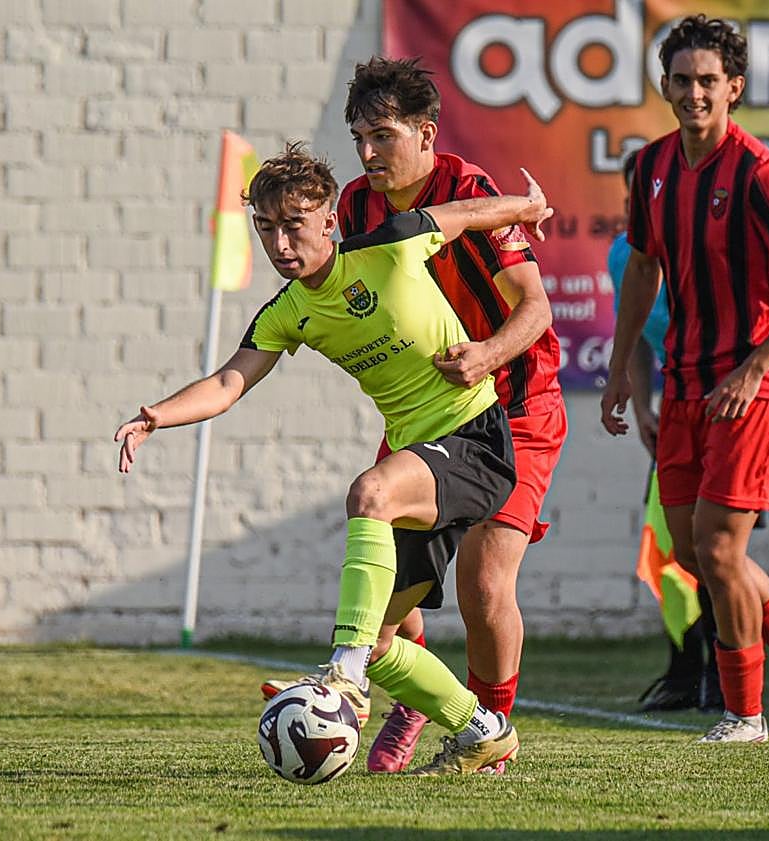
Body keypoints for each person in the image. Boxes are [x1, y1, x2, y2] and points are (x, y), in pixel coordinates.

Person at [117, 143, 553, 774]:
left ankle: (343, 677)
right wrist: (155, 414)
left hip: (477, 437)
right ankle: (482, 730)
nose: (278, 243)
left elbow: (465, 213)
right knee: (381, 641)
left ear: (328, 221)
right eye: (265, 228)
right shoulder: (289, 311)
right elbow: (227, 383)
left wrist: (529, 206)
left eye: (292, 225)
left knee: (369, 494)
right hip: (419, 453)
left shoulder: (390, 244)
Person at [600, 15, 769, 743]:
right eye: (682, 80)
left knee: (717, 548)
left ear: (733, 87)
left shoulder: (760, 174)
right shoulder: (648, 168)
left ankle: (746, 714)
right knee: (694, 555)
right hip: (682, 382)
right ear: (665, 85)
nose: (694, 93)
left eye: (708, 80)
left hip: (752, 387)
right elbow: (642, 267)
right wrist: (621, 369)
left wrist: (757, 365)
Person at [332, 55, 567, 773]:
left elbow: (536, 306)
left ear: (427, 133)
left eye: (383, 135)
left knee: (486, 584)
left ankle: (491, 740)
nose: (369, 152)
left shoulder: (471, 192)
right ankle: (414, 697)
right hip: (423, 413)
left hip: (513, 405)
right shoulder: (354, 205)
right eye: (359, 139)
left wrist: (487, 354)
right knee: (387, 593)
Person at [608, 150, 723, 714]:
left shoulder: (701, 248)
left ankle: (725, 672)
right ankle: (685, 666)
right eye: (632, 197)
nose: (639, 206)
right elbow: (636, 335)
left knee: (714, 541)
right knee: (671, 542)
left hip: (729, 403)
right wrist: (644, 408)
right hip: (675, 408)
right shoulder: (622, 255)